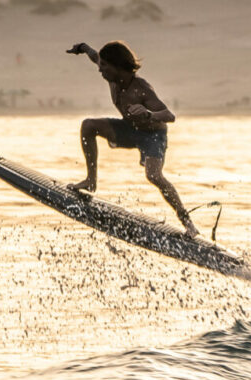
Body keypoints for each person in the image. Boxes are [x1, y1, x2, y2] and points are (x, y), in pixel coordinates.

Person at [65, 40, 198, 237]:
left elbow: (169, 115)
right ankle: (90, 181)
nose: (100, 70)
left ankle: (188, 224)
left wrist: (148, 114)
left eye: (104, 66)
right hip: (129, 128)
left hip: (153, 135)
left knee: (154, 175)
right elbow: (95, 56)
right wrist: (83, 48)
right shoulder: (112, 77)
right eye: (100, 65)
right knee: (88, 126)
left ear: (118, 67)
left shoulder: (141, 89)